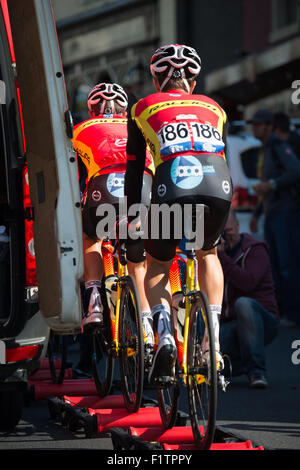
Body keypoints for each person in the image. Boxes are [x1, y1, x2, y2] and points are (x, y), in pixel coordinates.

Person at [124, 44, 233, 386]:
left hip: (172, 184)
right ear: (194, 80)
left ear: (156, 78)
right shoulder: (214, 107)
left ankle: (164, 335)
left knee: (157, 264)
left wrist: (132, 214)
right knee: (208, 253)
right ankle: (212, 342)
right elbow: (220, 154)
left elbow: (133, 169)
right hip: (219, 184)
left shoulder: (141, 106)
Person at [72, 83, 154, 334]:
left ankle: (94, 300)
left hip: (103, 189)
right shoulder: (140, 126)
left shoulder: (80, 129)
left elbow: (71, 175)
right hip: (142, 187)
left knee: (91, 237)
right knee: (141, 261)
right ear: (124, 108)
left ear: (92, 110)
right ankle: (147, 321)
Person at [218, 210, 280, 388]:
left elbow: (248, 283)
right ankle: (235, 366)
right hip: (232, 323)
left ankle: (256, 371)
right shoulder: (215, 256)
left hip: (262, 319)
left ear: (238, 227)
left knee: (243, 304)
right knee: (212, 362)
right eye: (221, 232)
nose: (224, 236)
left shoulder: (256, 249)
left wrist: (222, 257)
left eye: (228, 230)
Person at [249, 109, 300, 324]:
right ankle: (283, 312)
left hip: (285, 213)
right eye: (254, 124)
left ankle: (294, 313)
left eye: (259, 124)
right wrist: (257, 213)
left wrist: (271, 184)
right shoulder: (265, 149)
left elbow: (296, 170)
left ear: (269, 127)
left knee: (288, 264)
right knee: (277, 266)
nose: (255, 128)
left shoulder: (278, 146)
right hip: (272, 213)